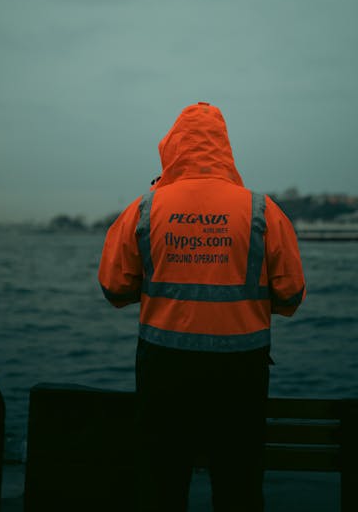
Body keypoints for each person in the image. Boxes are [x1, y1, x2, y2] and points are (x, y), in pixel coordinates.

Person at [98, 102, 306, 512]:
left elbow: (114, 287)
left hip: (164, 370)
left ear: (173, 148)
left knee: (161, 485)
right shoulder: (262, 211)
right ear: (224, 148)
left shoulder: (144, 208)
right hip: (240, 371)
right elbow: (291, 293)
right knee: (239, 485)